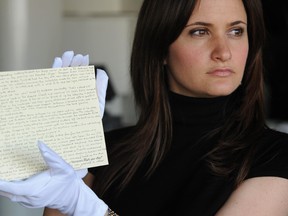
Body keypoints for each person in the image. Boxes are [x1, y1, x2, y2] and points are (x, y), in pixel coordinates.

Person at [1, 0, 288, 215]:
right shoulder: (103, 157)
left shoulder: (275, 157)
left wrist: (88, 208)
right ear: (161, 47)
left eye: (236, 31)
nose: (223, 52)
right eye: (200, 32)